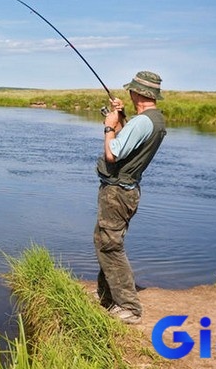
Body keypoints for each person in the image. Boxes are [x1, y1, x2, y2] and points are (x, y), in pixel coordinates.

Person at [93, 71, 166, 324]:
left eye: (131, 90)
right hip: (125, 191)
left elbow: (114, 153)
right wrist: (121, 118)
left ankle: (129, 308)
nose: (129, 93)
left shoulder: (143, 122)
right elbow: (128, 143)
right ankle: (106, 295)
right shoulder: (152, 120)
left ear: (139, 93)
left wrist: (109, 126)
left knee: (110, 245)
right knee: (104, 240)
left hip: (117, 193)